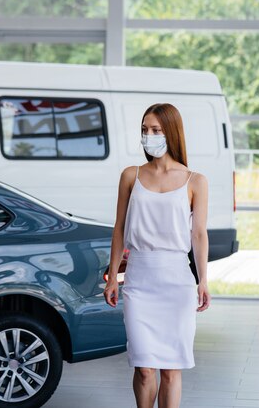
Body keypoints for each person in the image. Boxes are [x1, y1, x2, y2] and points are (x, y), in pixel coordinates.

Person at [104, 103, 211, 408]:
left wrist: (203, 280)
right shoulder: (131, 175)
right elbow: (119, 228)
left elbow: (199, 234)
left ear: (171, 133)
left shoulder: (196, 181)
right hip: (139, 279)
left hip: (177, 281)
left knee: (171, 370)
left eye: (155, 130)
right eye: (144, 130)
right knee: (144, 368)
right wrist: (113, 277)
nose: (148, 136)